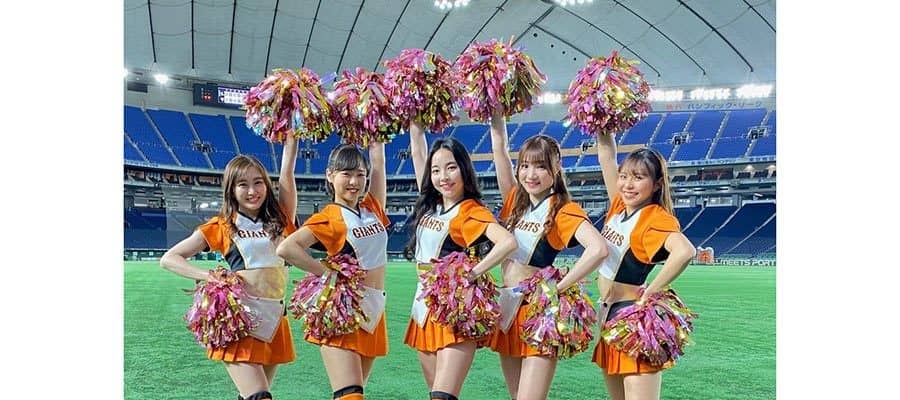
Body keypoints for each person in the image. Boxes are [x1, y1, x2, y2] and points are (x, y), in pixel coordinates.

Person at [160, 136, 299, 400]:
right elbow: (170, 258)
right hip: (240, 321)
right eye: (243, 184)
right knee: (259, 396)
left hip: (274, 320)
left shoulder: (281, 220)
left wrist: (291, 138)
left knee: (251, 395)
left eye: (258, 182)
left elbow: (287, 174)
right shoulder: (222, 225)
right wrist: (208, 276)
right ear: (231, 190)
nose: (252, 191)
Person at [484, 111, 608, 400]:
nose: (530, 174)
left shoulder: (562, 210)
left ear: (557, 167)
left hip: (538, 312)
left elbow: (598, 249)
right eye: (525, 166)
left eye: (540, 166)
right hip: (508, 307)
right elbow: (499, 150)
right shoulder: (516, 202)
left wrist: (559, 288)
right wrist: (496, 112)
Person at [403, 120, 517, 400]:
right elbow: (418, 151)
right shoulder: (431, 204)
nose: (443, 176)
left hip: (454, 309)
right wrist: (415, 119)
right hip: (423, 307)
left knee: (442, 396)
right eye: (436, 170)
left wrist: (472, 273)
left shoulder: (469, 211)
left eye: (451, 167)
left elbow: (507, 242)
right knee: (436, 395)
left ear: (464, 169)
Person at [276, 142, 389, 400]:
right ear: (330, 175)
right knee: (351, 395)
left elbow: (379, 162)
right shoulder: (329, 217)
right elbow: (286, 248)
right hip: (344, 311)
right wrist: (328, 273)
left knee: (350, 393)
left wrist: (377, 133)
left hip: (374, 309)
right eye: (346, 174)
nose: (354, 182)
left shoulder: (372, 208)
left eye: (360, 174)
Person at [592, 133, 696, 400]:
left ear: (657, 184)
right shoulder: (620, 206)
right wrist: (603, 126)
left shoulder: (655, 218)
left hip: (632, 321)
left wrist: (652, 291)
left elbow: (685, 251)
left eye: (638, 177)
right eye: (624, 176)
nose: (627, 184)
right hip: (608, 316)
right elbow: (606, 156)